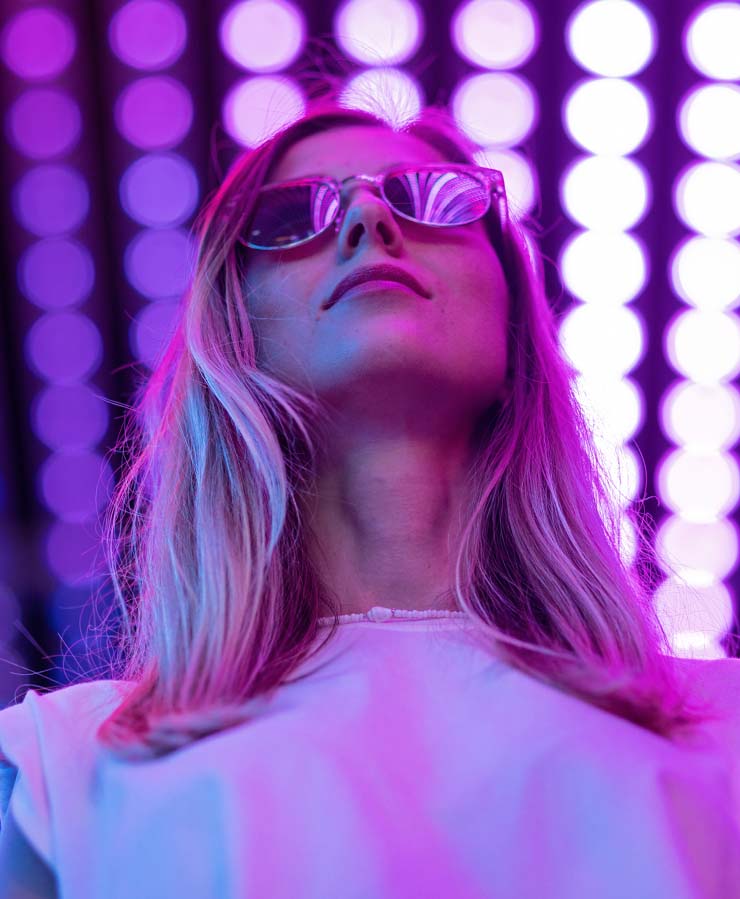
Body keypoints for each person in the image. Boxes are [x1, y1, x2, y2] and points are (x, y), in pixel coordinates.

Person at [1, 91, 739, 898]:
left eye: (430, 198)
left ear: (514, 313)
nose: (367, 224)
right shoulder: (63, 773)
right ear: (233, 329)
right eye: (291, 217)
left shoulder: (724, 732)